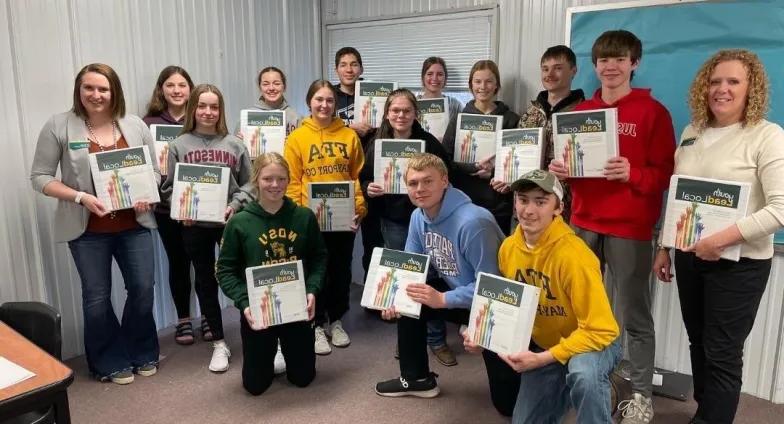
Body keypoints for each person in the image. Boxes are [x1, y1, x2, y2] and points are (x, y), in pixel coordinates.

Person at [549, 30, 675, 424]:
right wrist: (562, 172)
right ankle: (585, 378)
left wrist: (634, 174)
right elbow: (575, 170)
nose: (611, 67)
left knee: (634, 315)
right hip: (583, 222)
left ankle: (639, 393)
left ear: (634, 63)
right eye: (604, 60)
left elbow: (667, 174)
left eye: (620, 59)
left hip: (630, 227)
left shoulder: (653, 112)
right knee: (581, 308)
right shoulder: (580, 111)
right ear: (596, 65)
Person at [653, 49, 784, 424]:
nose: (721, 90)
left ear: (751, 88)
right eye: (714, 81)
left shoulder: (767, 136)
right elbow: (678, 195)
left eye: (733, 82)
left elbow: (780, 208)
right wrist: (665, 246)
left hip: (740, 265)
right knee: (699, 343)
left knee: (723, 352)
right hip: (690, 256)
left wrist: (721, 240)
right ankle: (705, 412)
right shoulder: (692, 132)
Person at [30, 63, 160, 384]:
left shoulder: (133, 125)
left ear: (114, 91)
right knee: (97, 297)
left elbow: (154, 172)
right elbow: (40, 177)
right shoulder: (59, 125)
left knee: (143, 290)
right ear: (79, 90)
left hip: (135, 225)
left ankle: (140, 350)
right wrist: (80, 197)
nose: (96, 95)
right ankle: (108, 360)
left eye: (103, 88)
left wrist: (147, 194)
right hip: (87, 230)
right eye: (89, 88)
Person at [465, 169, 620, 423]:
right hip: (546, 345)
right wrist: (481, 335)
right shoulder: (508, 249)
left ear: (558, 208)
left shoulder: (574, 256)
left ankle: (596, 395)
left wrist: (541, 359)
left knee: (584, 375)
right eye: (523, 199)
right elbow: (508, 307)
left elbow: (600, 330)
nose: (529, 210)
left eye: (541, 201)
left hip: (592, 342)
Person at [374, 153, 520, 417]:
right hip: (460, 293)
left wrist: (443, 300)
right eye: (413, 183)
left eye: (427, 181)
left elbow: (495, 287)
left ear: (445, 181)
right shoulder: (419, 216)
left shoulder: (474, 222)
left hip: (498, 304)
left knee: (508, 406)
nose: (420, 190)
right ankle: (416, 378)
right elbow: (411, 267)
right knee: (411, 298)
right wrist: (394, 299)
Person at [160, 83, 254, 373]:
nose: (208, 112)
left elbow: (250, 184)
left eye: (214, 107)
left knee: (241, 278)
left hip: (230, 222)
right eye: (202, 106)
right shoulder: (178, 145)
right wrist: (182, 208)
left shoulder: (235, 145)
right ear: (193, 109)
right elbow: (167, 189)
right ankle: (219, 343)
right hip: (195, 225)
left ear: (220, 110)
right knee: (205, 281)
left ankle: (253, 337)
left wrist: (236, 205)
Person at [359, 88, 457, 367]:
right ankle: (410, 340)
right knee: (404, 279)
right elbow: (363, 178)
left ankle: (437, 340)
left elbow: (446, 176)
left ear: (416, 113)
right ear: (387, 113)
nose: (401, 115)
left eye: (406, 110)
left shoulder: (428, 143)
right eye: (395, 111)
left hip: (430, 220)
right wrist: (370, 188)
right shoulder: (376, 141)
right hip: (394, 220)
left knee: (433, 277)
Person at [216, 152, 327, 395]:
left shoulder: (304, 217)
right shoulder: (240, 222)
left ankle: (287, 351)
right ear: (256, 180)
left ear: (289, 180)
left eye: (281, 178)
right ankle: (272, 352)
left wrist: (312, 290)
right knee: (255, 386)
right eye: (267, 179)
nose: (275, 185)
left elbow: (319, 258)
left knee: (303, 378)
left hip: (296, 307)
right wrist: (244, 303)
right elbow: (224, 270)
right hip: (259, 310)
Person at [284, 79, 367, 356]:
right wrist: (297, 218)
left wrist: (359, 209)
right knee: (314, 272)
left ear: (336, 104)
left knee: (340, 270)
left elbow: (355, 178)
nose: (324, 105)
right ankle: (317, 324)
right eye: (319, 99)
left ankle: (337, 320)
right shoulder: (297, 138)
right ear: (309, 102)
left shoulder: (348, 136)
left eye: (329, 100)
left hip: (342, 219)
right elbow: (293, 182)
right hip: (311, 219)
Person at [142, 65, 200, 345]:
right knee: (178, 264)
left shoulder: (201, 118)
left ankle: (212, 319)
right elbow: (143, 166)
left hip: (201, 206)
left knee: (204, 264)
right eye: (171, 86)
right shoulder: (148, 123)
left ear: (191, 89)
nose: (177, 91)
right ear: (161, 90)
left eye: (182, 85)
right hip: (167, 208)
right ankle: (184, 321)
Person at [494, 45, 584, 221]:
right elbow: (518, 161)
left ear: (573, 71)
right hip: (526, 208)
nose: (550, 74)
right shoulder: (529, 113)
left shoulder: (582, 113)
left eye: (558, 68)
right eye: (545, 69)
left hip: (563, 210)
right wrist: (507, 180)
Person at [442, 59, 520, 234]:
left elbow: (518, 162)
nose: (482, 86)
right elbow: (445, 160)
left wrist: (492, 172)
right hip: (463, 201)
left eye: (488, 81)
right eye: (477, 81)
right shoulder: (459, 119)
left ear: (496, 86)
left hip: (498, 204)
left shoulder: (511, 119)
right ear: (471, 85)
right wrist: (473, 167)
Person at [332, 46, 383, 286]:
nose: (349, 69)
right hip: (341, 173)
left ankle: (371, 292)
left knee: (374, 239)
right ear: (336, 69)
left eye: (354, 64)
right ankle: (339, 302)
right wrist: (351, 127)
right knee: (342, 242)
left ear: (361, 68)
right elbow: (317, 122)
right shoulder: (329, 95)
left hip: (372, 171)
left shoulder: (373, 92)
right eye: (344, 64)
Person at [234, 66, 301, 137]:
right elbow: (235, 147)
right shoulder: (247, 117)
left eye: (277, 83)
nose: (271, 88)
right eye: (265, 84)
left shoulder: (296, 118)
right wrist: (239, 142)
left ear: (284, 87)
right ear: (260, 88)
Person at [417, 56, 463, 142]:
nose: (434, 78)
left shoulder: (455, 105)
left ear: (445, 78)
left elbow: (462, 136)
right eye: (430, 74)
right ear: (423, 77)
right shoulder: (412, 104)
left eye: (440, 74)